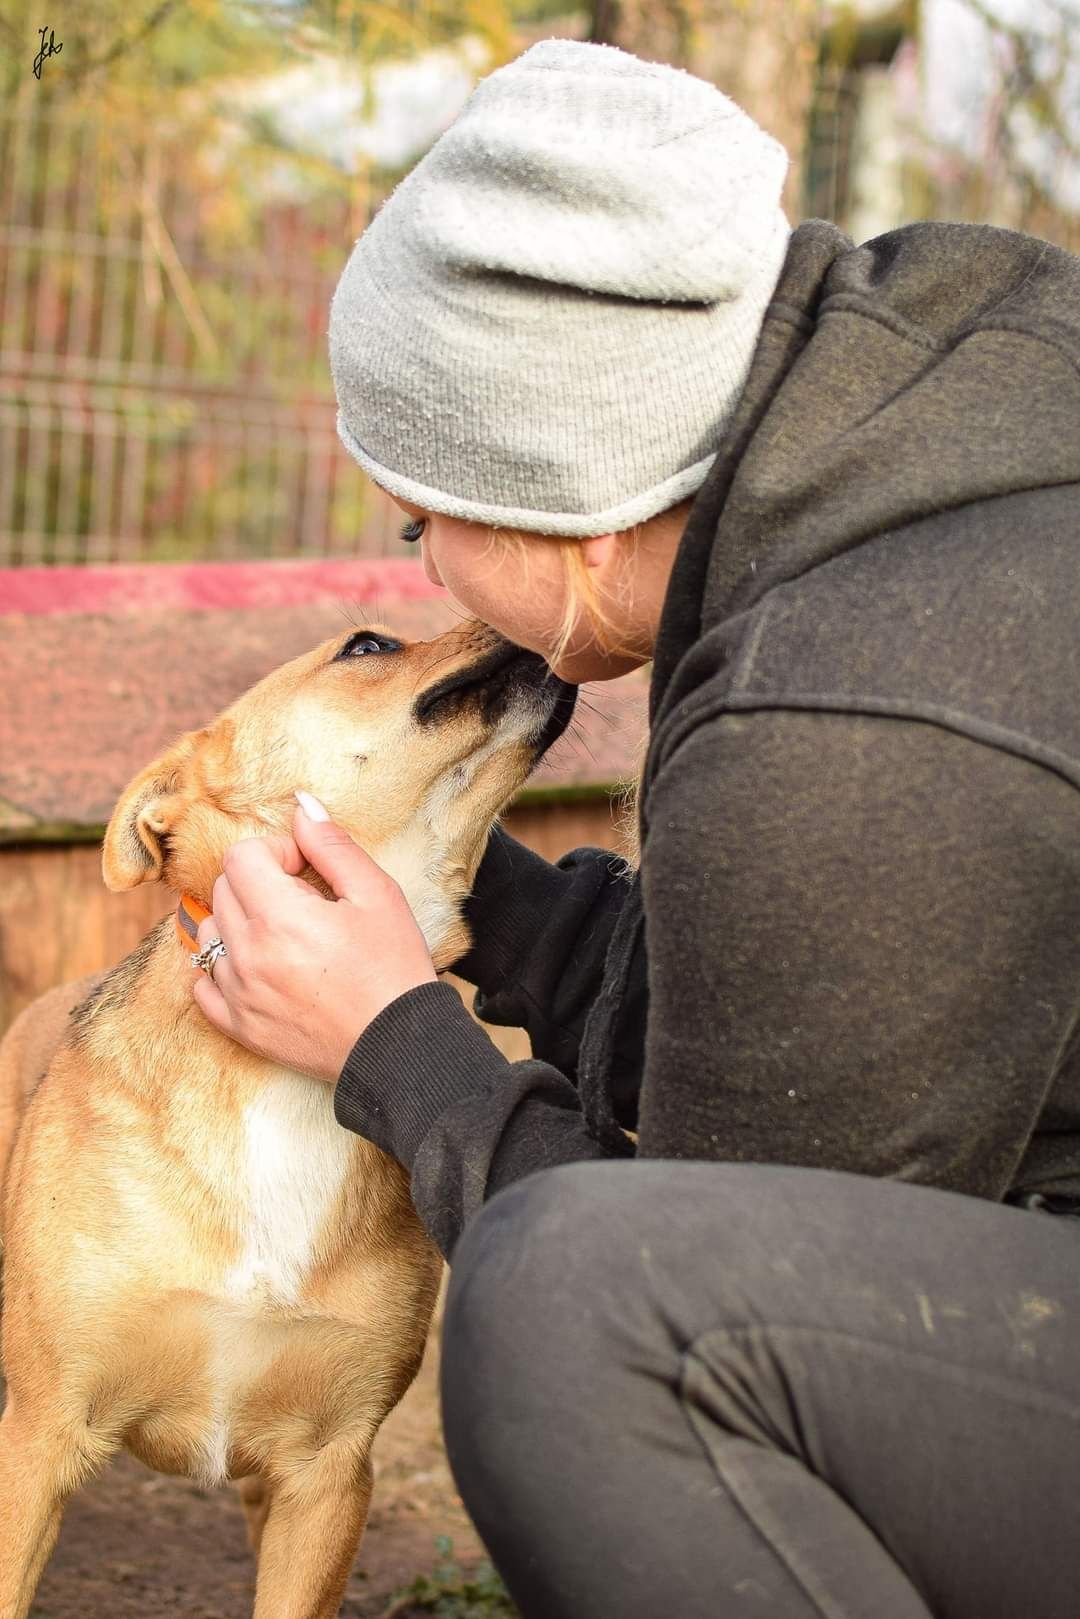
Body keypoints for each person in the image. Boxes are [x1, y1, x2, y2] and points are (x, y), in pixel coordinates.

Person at [191, 38, 1080, 1619]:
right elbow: (841, 1005)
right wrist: (499, 923)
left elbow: (725, 1269)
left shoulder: (850, 713)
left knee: (586, 1316)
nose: (424, 579)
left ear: (559, 478)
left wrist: (398, 1044)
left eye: (425, 519)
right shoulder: (944, 424)